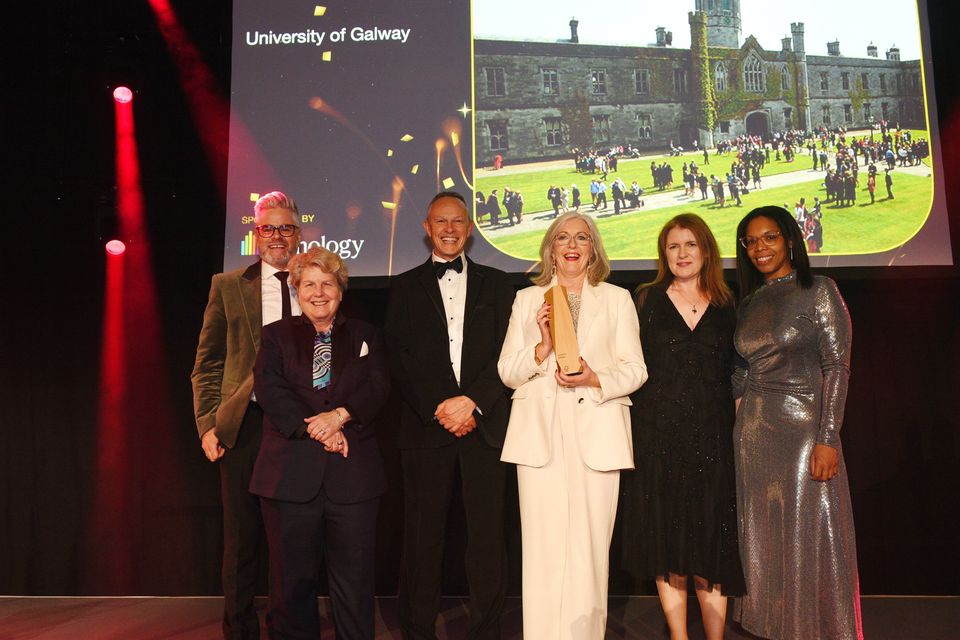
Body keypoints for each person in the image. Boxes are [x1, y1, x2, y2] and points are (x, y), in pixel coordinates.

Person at [498, 212, 647, 639]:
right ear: (550, 248)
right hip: (539, 436)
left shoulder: (617, 299)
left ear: (593, 249)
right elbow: (508, 371)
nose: (572, 244)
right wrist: (541, 348)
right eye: (562, 236)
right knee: (542, 552)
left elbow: (635, 370)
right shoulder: (528, 300)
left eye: (582, 237)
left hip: (597, 430)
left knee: (589, 550)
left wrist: (594, 377)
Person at [386, 191, 515, 640]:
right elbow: (398, 358)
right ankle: (417, 630)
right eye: (440, 221)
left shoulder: (501, 285)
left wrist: (472, 402)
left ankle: (487, 629)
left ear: (470, 227)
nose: (448, 229)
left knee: (487, 539)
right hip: (426, 429)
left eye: (457, 221)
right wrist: (440, 407)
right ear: (426, 227)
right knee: (423, 539)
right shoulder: (402, 286)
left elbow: (509, 354)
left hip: (485, 427)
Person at [732, 205, 863, 639]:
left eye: (768, 237)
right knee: (765, 542)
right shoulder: (750, 301)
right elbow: (742, 365)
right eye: (750, 241)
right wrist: (738, 401)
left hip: (805, 432)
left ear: (790, 239)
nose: (759, 248)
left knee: (808, 536)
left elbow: (837, 367)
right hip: (753, 435)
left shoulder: (819, 290)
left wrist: (828, 437)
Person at [250, 247, 389, 639]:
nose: (318, 292)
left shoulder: (367, 335)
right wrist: (318, 429)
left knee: (355, 585)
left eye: (327, 283)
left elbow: (379, 387)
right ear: (296, 290)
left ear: (340, 290)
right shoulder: (275, 335)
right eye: (308, 284)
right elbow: (271, 389)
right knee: (291, 584)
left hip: (354, 480)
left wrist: (339, 417)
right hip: (289, 479)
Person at [621, 214, 745, 640]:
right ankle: (679, 636)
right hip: (658, 437)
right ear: (663, 254)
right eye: (673, 246)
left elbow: (739, 373)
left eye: (690, 245)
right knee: (666, 540)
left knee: (713, 539)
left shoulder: (730, 305)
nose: (682, 254)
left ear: (706, 250)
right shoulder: (645, 300)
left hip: (715, 437)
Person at [191, 191, 302, 640]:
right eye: (268, 227)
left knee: (292, 542)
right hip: (245, 426)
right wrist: (207, 424)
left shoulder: (316, 280)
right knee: (241, 543)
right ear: (256, 233)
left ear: (298, 233)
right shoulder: (228, 284)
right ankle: (239, 632)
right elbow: (207, 362)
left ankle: (287, 628)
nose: (277, 236)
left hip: (301, 429)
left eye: (286, 227)